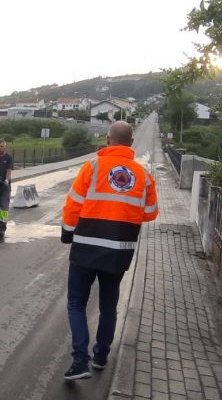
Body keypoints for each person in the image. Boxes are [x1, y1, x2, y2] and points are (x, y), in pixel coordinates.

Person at [60, 121, 158, 380]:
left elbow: (73, 205)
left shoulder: (92, 166)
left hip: (86, 246)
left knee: (76, 302)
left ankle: (80, 362)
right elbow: (150, 214)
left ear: (107, 140)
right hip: (120, 249)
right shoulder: (144, 175)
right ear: (131, 142)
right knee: (108, 306)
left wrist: (67, 232)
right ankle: (101, 356)